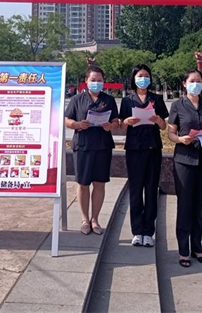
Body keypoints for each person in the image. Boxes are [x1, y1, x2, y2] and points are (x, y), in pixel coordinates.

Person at [167, 69, 202, 268]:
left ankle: (197, 247)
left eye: (199, 81)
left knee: (199, 205)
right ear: (184, 84)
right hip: (184, 160)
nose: (196, 84)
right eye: (192, 81)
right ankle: (183, 251)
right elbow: (171, 133)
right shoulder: (177, 105)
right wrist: (181, 139)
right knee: (185, 204)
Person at [65, 65, 120, 235]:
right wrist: (77, 124)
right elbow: (67, 120)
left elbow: (116, 121)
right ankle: (84, 219)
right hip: (83, 146)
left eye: (100, 80)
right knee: (83, 183)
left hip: (102, 146)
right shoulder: (77, 99)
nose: (97, 83)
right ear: (86, 81)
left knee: (99, 183)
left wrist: (110, 126)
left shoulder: (108, 100)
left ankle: (95, 219)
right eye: (93, 80)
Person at [119, 64, 168, 248]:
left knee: (151, 189)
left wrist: (158, 120)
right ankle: (137, 231)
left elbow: (163, 127)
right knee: (135, 190)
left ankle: (148, 232)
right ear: (134, 78)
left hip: (153, 148)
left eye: (146, 75)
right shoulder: (127, 100)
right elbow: (121, 127)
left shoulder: (156, 99)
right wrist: (127, 121)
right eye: (140, 76)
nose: (143, 79)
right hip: (134, 149)